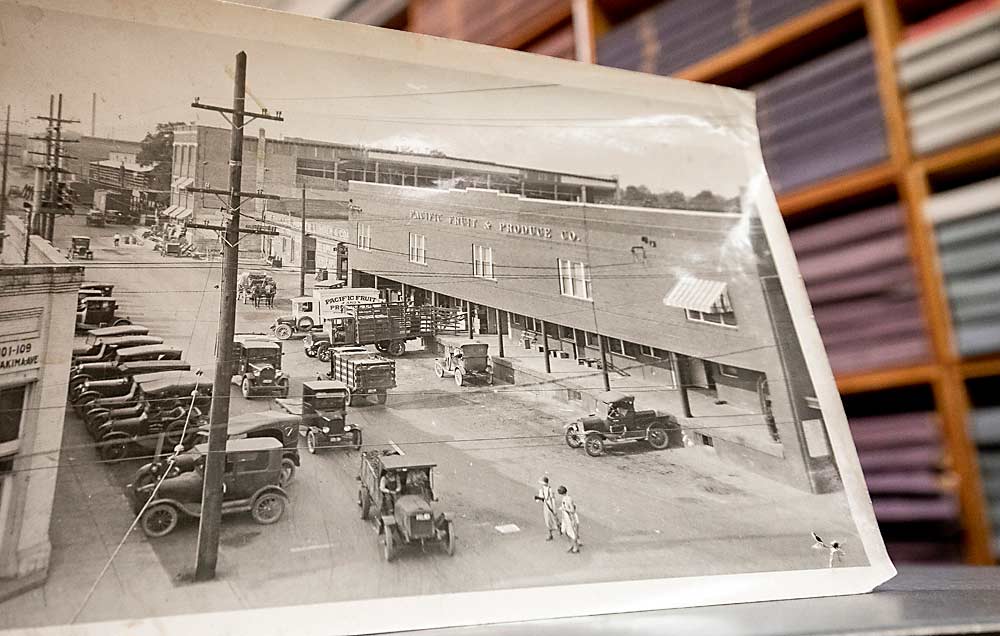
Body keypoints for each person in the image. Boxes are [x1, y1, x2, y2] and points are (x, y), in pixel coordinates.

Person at [558, 485, 581, 553]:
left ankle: (575, 547)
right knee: (565, 531)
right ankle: (572, 545)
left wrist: (564, 508)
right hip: (565, 517)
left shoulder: (568, 499)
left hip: (569, 517)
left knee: (571, 532)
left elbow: (572, 510)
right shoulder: (566, 498)